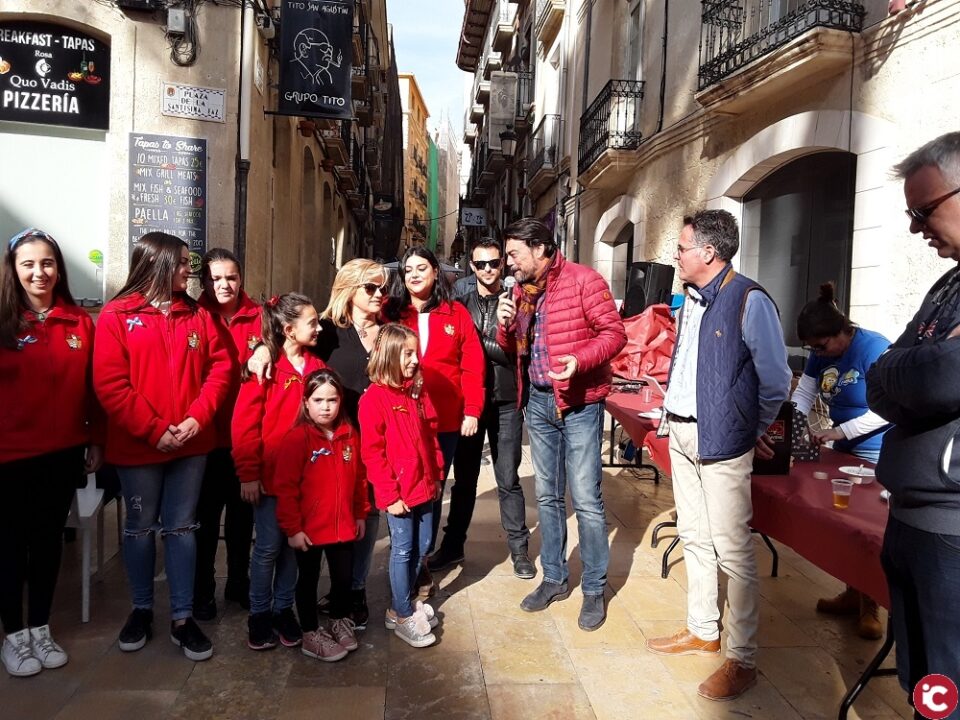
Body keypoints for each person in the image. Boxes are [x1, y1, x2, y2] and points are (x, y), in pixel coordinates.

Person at [644, 210, 791, 701]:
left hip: (723, 443)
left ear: (708, 252)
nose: (676, 256)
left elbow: (775, 381)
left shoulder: (749, 300)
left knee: (733, 549)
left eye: (682, 247)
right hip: (682, 434)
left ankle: (742, 658)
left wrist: (747, 428)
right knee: (694, 535)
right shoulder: (690, 300)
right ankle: (702, 629)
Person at [94, 232, 232, 662]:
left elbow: (220, 369)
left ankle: (182, 617)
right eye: (182, 263)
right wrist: (154, 430)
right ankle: (141, 609)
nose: (189, 270)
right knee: (138, 528)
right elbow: (110, 383)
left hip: (191, 444)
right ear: (155, 263)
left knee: (181, 528)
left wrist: (195, 419)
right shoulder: (117, 315)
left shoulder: (197, 315)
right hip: (139, 446)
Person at [495, 217, 626, 631]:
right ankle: (554, 578)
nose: (508, 263)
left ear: (539, 248)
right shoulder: (520, 292)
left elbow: (614, 334)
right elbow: (515, 347)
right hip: (538, 401)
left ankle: (594, 589)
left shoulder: (585, 281)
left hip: (580, 403)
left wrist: (579, 361)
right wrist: (504, 326)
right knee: (548, 496)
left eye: (513, 254)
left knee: (585, 499)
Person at [867, 132, 960, 710]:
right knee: (924, 689)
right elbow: (879, 376)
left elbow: (942, 379)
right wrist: (917, 365)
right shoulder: (948, 286)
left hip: (952, 533)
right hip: (911, 521)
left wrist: (915, 367)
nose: (914, 228)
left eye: (923, 211)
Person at [248, 259, 387, 627]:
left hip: (367, 443)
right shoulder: (326, 332)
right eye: (371, 287)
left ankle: (351, 592)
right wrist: (262, 349)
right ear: (350, 290)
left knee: (364, 518)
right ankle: (273, 611)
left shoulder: (388, 330)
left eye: (383, 288)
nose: (379, 294)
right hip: (320, 449)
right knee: (282, 542)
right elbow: (283, 338)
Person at [0, 229, 103, 677]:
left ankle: (40, 628)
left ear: (58, 268)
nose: (39, 272)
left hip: (62, 454)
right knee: (9, 547)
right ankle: (13, 635)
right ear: (13, 270)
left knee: (47, 544)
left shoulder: (79, 322)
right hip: (9, 456)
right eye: (28, 264)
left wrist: (96, 438)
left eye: (47, 263)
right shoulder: (3, 320)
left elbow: (92, 389)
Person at [429, 237, 534, 579]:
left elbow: (518, 353)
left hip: (505, 400)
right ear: (471, 266)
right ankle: (452, 546)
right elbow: (452, 349)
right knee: (465, 479)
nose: (488, 270)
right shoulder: (459, 300)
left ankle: (519, 550)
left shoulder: (518, 299)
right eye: (480, 264)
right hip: (469, 402)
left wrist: (479, 339)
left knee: (508, 478)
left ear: (502, 264)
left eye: (494, 263)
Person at [792, 281, 891, 640]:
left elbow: (887, 407)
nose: (819, 354)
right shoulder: (822, 353)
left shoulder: (874, 348)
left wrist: (838, 432)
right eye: (813, 349)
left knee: (868, 529)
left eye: (822, 346)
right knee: (846, 526)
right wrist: (795, 423)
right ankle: (853, 593)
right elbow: (805, 392)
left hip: (874, 449)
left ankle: (871, 605)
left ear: (841, 332)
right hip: (844, 449)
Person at [384, 246, 485, 589]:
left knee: (432, 488)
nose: (414, 275)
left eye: (421, 268)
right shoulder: (392, 313)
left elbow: (472, 365)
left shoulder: (456, 314)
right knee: (403, 486)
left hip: (444, 421)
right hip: (401, 419)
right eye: (408, 269)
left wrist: (472, 410)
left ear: (435, 272)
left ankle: (421, 560)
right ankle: (402, 555)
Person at [232, 293, 323, 651]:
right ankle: (259, 613)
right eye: (312, 323)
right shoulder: (264, 368)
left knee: (292, 548)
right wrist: (248, 473)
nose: (319, 328)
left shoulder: (317, 367)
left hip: (305, 482)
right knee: (268, 547)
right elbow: (245, 425)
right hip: (270, 481)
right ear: (288, 329)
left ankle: (283, 609)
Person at [274, 369, 369, 662]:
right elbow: (285, 489)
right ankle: (310, 633)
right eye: (318, 400)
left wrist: (360, 514)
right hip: (309, 530)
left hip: (343, 526)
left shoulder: (349, 434)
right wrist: (293, 529)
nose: (325, 407)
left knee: (343, 578)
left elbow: (359, 479)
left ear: (341, 401)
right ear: (306, 402)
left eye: (332, 400)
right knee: (308, 579)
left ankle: (339, 619)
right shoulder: (296, 438)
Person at [358, 323, 443, 649]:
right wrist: (389, 496)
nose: (415, 359)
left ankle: (401, 605)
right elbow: (373, 454)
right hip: (400, 495)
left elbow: (430, 434)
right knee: (404, 549)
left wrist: (436, 475)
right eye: (407, 354)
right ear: (390, 355)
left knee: (423, 545)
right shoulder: (374, 399)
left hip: (424, 487)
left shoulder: (415, 393)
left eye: (415, 353)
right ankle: (403, 612)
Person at [192, 248, 259, 620]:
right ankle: (203, 589)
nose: (224, 285)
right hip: (205, 438)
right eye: (216, 278)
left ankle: (238, 581)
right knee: (204, 520)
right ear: (205, 281)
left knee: (241, 519)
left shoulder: (259, 317)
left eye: (231, 277)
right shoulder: (193, 316)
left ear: (241, 278)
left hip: (244, 437)